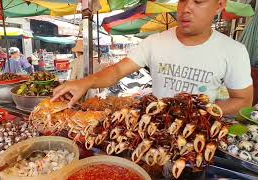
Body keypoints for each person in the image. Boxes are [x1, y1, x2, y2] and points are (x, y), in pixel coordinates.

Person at [52, 0, 253, 115]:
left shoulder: (233, 50)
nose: (186, 8)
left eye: (198, 1)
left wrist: (199, 112)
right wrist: (85, 82)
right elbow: (118, 70)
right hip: (153, 129)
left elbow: (243, 100)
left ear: (219, 5)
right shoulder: (154, 41)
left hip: (199, 136)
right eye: (182, 0)